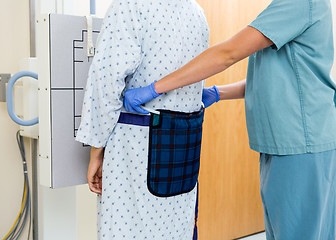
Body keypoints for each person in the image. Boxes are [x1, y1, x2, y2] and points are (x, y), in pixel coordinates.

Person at [124, 0, 336, 239]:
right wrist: (217, 93)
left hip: (301, 143)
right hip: (287, 142)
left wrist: (156, 88)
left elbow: (228, 54)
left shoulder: (301, 2)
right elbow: (278, 78)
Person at [75, 0, 209, 239]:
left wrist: (96, 150)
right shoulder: (197, 13)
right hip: (183, 148)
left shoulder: (130, 6)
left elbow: (106, 81)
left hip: (136, 150)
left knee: (128, 230)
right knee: (175, 228)